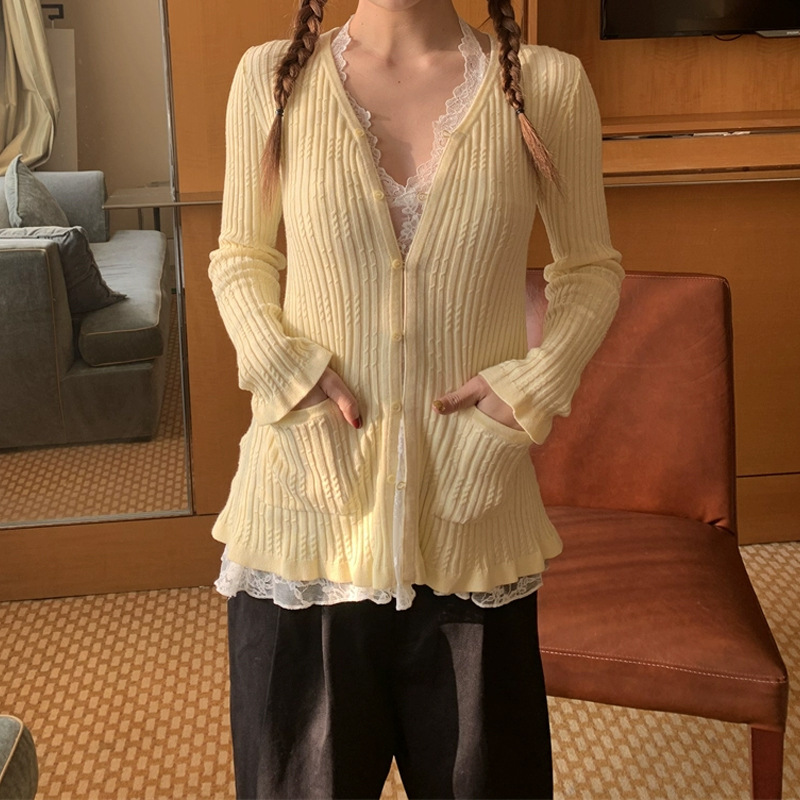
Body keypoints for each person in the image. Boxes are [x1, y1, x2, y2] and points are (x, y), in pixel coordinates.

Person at [209, 0, 623, 797]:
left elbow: (589, 269)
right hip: (304, 516)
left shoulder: (544, 86)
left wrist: (528, 390)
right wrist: (287, 373)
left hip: (473, 521)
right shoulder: (271, 78)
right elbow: (240, 255)